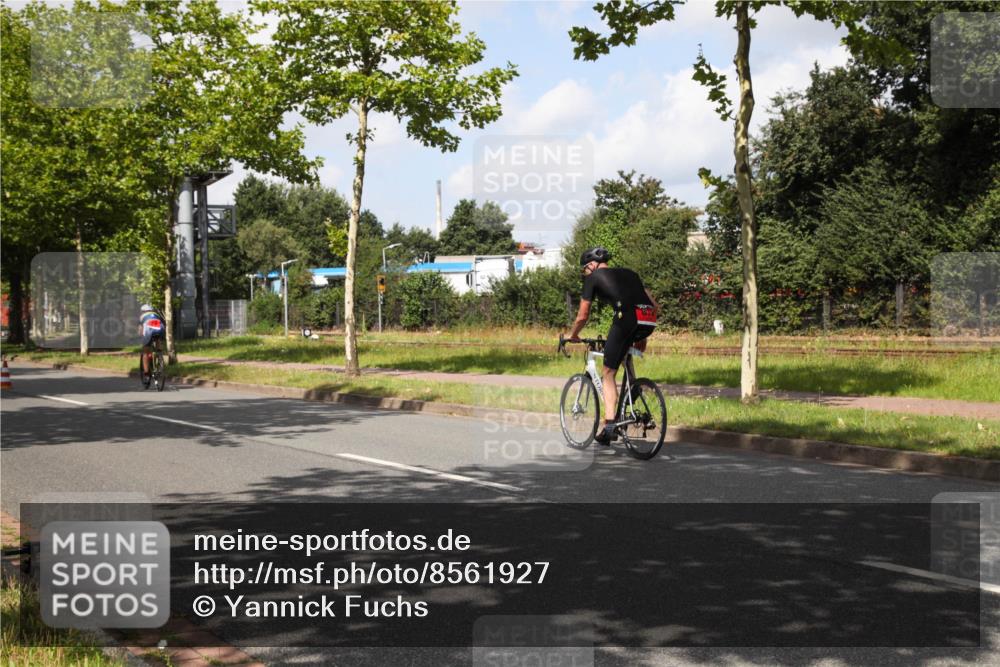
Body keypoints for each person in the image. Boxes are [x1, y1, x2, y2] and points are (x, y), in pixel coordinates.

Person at [565, 247, 659, 445]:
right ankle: (632, 391)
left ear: (591, 265)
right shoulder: (630, 274)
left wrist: (573, 335)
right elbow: (653, 304)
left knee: (608, 372)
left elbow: (583, 315)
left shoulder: (593, 278)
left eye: (584, 270)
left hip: (627, 319)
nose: (585, 274)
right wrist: (642, 333)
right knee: (622, 353)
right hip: (647, 319)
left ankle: (609, 426)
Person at [139, 303, 165, 375]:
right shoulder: (156, 315)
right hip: (160, 329)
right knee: (157, 339)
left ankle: (146, 372)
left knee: (145, 352)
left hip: (149, 331)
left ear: (143, 311)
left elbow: (141, 330)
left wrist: (140, 336)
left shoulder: (142, 316)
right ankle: (159, 356)